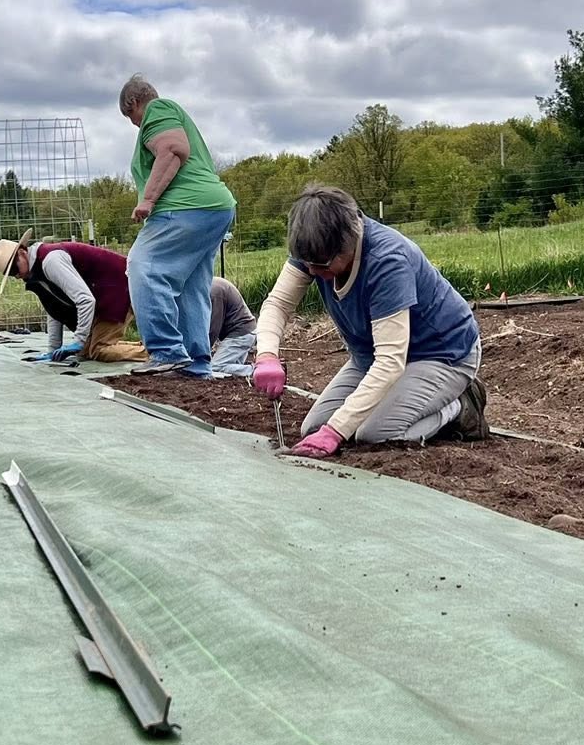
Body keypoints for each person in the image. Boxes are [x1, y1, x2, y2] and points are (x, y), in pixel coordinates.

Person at [250, 185, 486, 458]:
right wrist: (267, 355)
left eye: (322, 265)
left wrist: (335, 432)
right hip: (372, 357)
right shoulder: (315, 247)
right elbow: (278, 304)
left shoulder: (386, 262)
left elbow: (390, 361)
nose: (312, 271)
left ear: (349, 242)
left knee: (376, 434)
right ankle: (404, 401)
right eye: (307, 263)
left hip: (440, 354)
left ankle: (459, 406)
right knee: (313, 428)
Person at [119, 74, 236, 377]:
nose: (134, 124)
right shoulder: (174, 115)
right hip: (214, 209)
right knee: (191, 285)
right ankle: (196, 363)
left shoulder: (158, 109)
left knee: (143, 266)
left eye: (130, 116)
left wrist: (148, 200)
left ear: (133, 103)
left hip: (184, 208)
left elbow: (172, 149)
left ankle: (166, 349)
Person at [0, 231, 149, 364]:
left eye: (14, 269)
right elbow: (54, 309)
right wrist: (53, 351)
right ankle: (144, 347)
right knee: (85, 351)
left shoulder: (50, 261)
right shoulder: (37, 271)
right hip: (107, 294)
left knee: (99, 350)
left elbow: (86, 300)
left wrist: (79, 340)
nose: (16, 276)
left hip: (118, 289)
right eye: (11, 274)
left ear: (22, 252)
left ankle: (155, 352)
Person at [207, 276, 257, 377]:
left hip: (240, 335)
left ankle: (259, 371)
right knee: (233, 368)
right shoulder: (212, 284)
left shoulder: (214, 292)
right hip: (244, 332)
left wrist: (200, 353)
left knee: (215, 367)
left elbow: (213, 329)